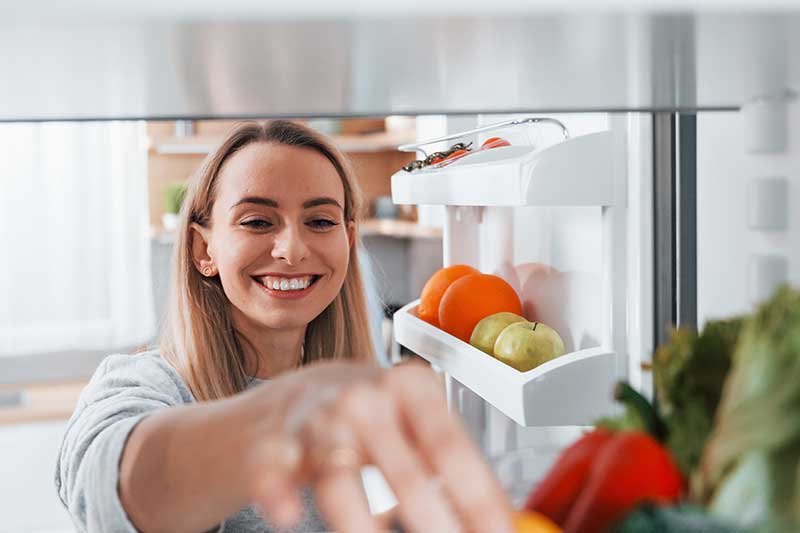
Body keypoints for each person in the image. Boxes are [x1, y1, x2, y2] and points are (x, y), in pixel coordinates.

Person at [55, 120, 514, 533]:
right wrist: (280, 419)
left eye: (319, 221)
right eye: (257, 221)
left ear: (348, 240)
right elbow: (108, 489)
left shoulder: (338, 408)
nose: (292, 250)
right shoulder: (144, 384)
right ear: (203, 249)